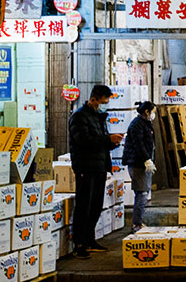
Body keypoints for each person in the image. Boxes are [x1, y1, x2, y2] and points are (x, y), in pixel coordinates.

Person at [68, 85, 123, 258]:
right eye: (103, 102)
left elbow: (100, 140)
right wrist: (107, 139)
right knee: (84, 206)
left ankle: (89, 240)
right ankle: (79, 244)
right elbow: (83, 140)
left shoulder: (98, 117)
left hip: (99, 166)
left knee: (96, 206)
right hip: (85, 166)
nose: (105, 105)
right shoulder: (78, 117)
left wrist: (112, 142)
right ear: (93, 99)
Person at [122, 101, 157, 233]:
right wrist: (146, 160)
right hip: (138, 163)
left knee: (143, 193)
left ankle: (138, 222)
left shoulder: (146, 124)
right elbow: (138, 144)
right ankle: (136, 224)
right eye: (153, 112)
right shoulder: (137, 124)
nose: (154, 114)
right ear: (146, 112)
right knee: (141, 193)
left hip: (143, 163)